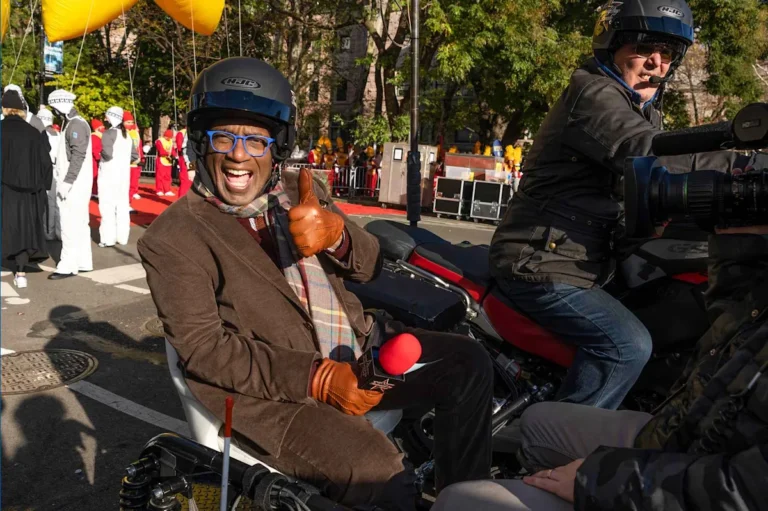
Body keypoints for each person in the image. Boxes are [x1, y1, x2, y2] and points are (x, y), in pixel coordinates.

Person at [138, 57, 493, 510]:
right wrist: (317, 378)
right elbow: (206, 350)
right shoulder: (174, 237)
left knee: (468, 362)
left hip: (358, 352)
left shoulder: (301, 189)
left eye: (256, 140)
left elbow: (369, 269)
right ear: (200, 144)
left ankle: (463, 498)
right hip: (274, 397)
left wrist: (340, 237)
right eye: (223, 136)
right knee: (383, 479)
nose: (239, 154)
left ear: (278, 146)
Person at [488, 0, 750, 409]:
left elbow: (655, 177)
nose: (656, 63)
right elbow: (644, 154)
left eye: (668, 54)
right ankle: (555, 449)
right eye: (645, 48)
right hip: (542, 263)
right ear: (613, 44)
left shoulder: (645, 110)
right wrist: (743, 159)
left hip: (589, 261)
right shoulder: (593, 92)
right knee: (627, 344)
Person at [434, 222, 768, 511]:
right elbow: (728, 340)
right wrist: (740, 244)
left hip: (699, 477)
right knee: (539, 421)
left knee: (629, 345)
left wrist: (597, 480)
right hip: (694, 442)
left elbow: (742, 491)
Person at [1, 90, 53, 289]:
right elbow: (45, 163)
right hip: (28, 193)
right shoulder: (33, 132)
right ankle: (21, 272)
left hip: (4, 190)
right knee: (24, 230)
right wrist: (43, 186)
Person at [47, 89, 93, 280]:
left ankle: (67, 265)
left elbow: (78, 155)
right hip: (77, 182)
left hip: (73, 183)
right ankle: (83, 261)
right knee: (81, 223)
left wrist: (67, 181)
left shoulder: (76, 125)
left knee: (70, 224)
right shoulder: (74, 123)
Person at [98, 106, 136, 248]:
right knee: (122, 205)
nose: (105, 118)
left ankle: (108, 238)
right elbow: (135, 156)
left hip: (109, 174)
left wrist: (99, 155)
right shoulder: (128, 136)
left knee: (107, 205)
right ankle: (123, 237)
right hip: (123, 175)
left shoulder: (108, 134)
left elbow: (107, 154)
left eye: (107, 116)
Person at [37, 106, 61, 241]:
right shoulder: (58, 133)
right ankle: (57, 231)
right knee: (57, 203)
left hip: (47, 170)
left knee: (49, 203)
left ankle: (48, 232)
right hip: (58, 170)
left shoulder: (43, 134)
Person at [124, 111, 144, 201]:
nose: (130, 124)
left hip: (135, 160)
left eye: (131, 122)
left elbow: (139, 146)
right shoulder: (121, 132)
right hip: (125, 161)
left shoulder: (135, 133)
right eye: (128, 122)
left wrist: (141, 157)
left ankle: (133, 193)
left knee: (134, 179)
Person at [154, 129, 175, 196]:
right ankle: (159, 190)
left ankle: (167, 190)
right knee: (160, 176)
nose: (169, 138)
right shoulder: (159, 141)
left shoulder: (171, 141)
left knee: (167, 176)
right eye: (168, 137)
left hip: (168, 161)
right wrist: (168, 154)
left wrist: (174, 156)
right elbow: (161, 151)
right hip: (161, 160)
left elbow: (173, 150)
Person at [175, 125, 193, 197]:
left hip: (192, 159)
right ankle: (182, 198)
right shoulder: (182, 133)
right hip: (185, 158)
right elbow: (181, 147)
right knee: (186, 179)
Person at [90, 119, 105, 198]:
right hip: (94, 160)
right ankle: (94, 191)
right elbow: (94, 149)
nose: (103, 128)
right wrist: (98, 157)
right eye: (101, 126)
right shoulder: (94, 136)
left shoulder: (100, 136)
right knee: (94, 175)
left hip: (98, 159)